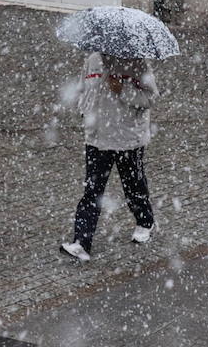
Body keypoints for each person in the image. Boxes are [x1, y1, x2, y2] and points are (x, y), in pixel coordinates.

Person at [60, 52, 160, 262]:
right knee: (92, 191)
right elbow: (83, 90)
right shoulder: (93, 61)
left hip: (128, 139)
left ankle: (145, 221)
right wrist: (84, 112)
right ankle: (81, 242)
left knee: (133, 184)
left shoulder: (138, 63)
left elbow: (151, 98)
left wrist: (123, 90)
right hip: (97, 138)